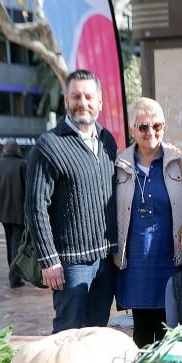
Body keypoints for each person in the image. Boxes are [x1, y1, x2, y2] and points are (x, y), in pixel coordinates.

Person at [26, 70, 119, 332]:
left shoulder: (107, 141)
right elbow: (35, 207)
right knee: (67, 333)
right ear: (66, 100)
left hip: (105, 261)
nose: (83, 102)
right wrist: (48, 259)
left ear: (100, 102)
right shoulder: (49, 145)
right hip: (70, 264)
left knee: (95, 332)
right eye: (76, 96)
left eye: (89, 96)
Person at [114, 97, 182, 347]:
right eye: (143, 126)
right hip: (136, 266)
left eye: (156, 126)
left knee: (170, 334)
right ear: (132, 129)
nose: (150, 132)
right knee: (142, 336)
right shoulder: (119, 164)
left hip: (170, 262)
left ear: (164, 127)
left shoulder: (177, 161)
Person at [0, 141, 27, 288]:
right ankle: (14, 277)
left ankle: (14, 273)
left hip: (3, 211)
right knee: (16, 244)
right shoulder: (23, 164)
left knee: (10, 244)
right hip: (20, 212)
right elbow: (29, 189)